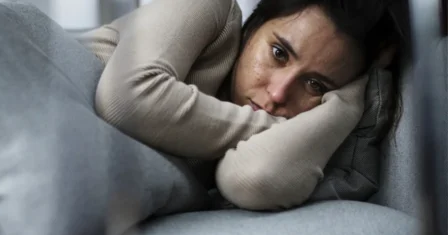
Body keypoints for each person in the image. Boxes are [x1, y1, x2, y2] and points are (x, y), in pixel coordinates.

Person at [77, 0, 407, 210]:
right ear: (253, 29)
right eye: (279, 53)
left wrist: (350, 101)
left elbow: (253, 178)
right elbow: (125, 100)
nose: (278, 94)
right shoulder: (209, 8)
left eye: (316, 85)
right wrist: (280, 128)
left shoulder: (241, 149)